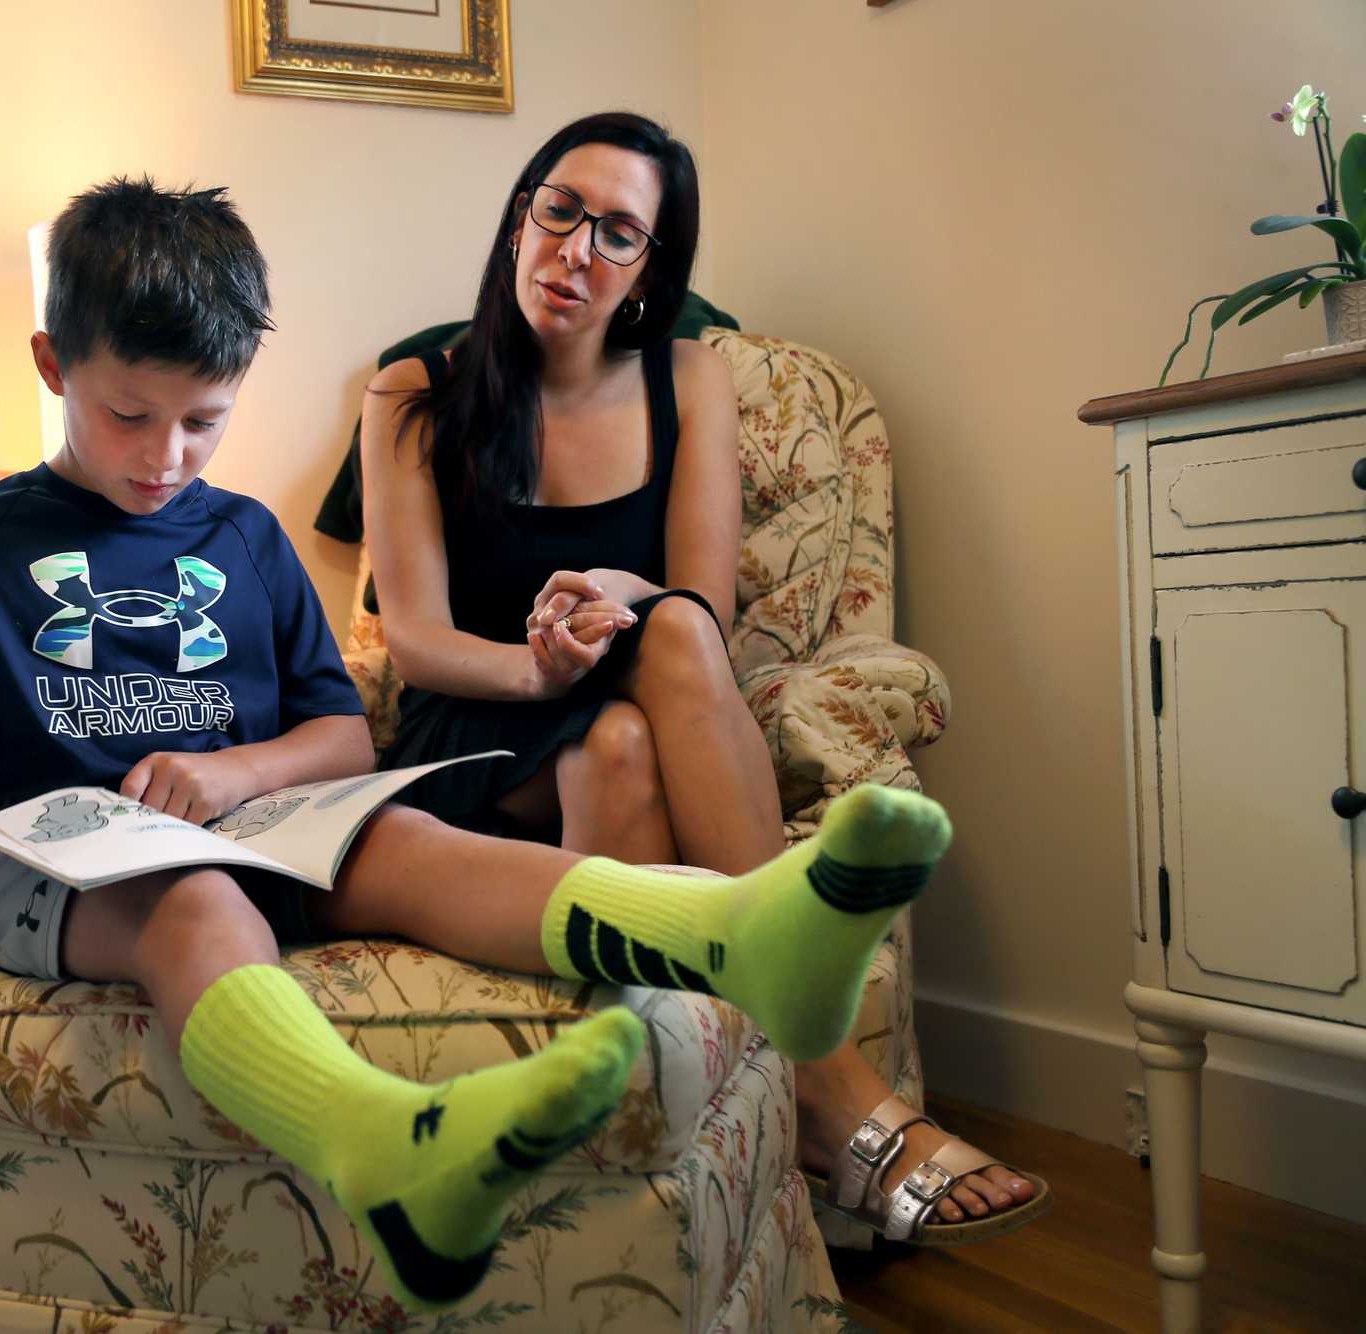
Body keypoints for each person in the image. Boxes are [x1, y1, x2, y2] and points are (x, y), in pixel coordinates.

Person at [0, 176, 954, 1311]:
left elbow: (334, 735)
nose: (168, 453)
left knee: (409, 842)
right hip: (41, 857)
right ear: (52, 363)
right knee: (199, 905)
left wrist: (233, 772)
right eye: (131, 415)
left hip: (239, 822)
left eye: (205, 420)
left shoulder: (246, 536)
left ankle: (734, 932)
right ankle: (382, 1144)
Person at [358, 112, 1048, 1246]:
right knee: (620, 718)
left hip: (620, 698)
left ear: (648, 270)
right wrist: (536, 671)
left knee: (649, 689)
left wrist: (596, 603)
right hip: (471, 724)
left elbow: (702, 606)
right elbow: (418, 638)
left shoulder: (690, 377)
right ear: (520, 218)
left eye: (618, 233)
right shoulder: (411, 391)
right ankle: (825, 1089)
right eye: (560, 210)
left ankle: (695, 1151)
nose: (576, 250)